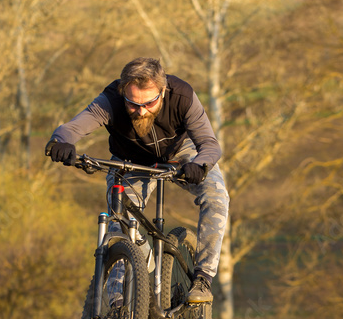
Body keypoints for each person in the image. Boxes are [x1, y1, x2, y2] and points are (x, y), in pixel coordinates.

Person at [45, 57, 229, 305]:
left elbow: (209, 144)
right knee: (119, 221)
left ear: (163, 91)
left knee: (216, 196)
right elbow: (73, 127)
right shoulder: (110, 100)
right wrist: (60, 142)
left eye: (149, 102)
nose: (141, 111)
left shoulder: (182, 96)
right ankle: (117, 299)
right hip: (130, 161)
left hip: (181, 155)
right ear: (123, 92)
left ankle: (203, 278)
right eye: (132, 104)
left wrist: (199, 165)